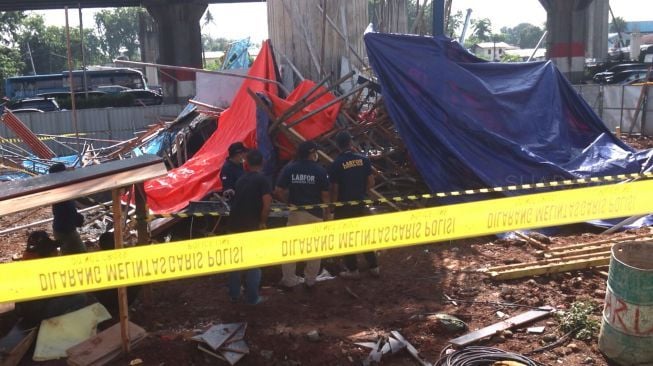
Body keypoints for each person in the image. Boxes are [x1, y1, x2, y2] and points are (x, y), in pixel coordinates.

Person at [274, 141, 330, 290]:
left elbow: (278, 190)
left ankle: (289, 280)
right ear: (312, 153)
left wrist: (288, 202)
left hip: (296, 214)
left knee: (291, 248)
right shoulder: (320, 170)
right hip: (315, 214)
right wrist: (327, 214)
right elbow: (325, 195)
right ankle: (310, 281)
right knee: (314, 249)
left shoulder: (290, 168)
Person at [328, 131, 379, 279]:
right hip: (361, 203)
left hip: (344, 207)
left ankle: (353, 270)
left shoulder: (336, 164)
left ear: (338, 146)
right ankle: (374, 266)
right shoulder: (363, 160)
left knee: (346, 239)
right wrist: (361, 192)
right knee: (364, 235)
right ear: (351, 143)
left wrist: (333, 207)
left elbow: (335, 189)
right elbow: (371, 182)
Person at [227, 149, 272, 304]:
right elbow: (267, 205)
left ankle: (234, 293)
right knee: (254, 262)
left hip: (235, 224)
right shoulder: (263, 180)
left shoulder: (241, 179)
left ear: (247, 163)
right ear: (262, 162)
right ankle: (252, 298)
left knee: (236, 260)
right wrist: (262, 222)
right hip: (251, 225)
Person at [49, 163, 86, 254]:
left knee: (69, 253)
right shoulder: (60, 191)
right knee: (80, 253)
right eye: (64, 171)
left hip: (63, 229)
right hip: (65, 231)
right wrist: (76, 218)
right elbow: (65, 212)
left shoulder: (60, 187)